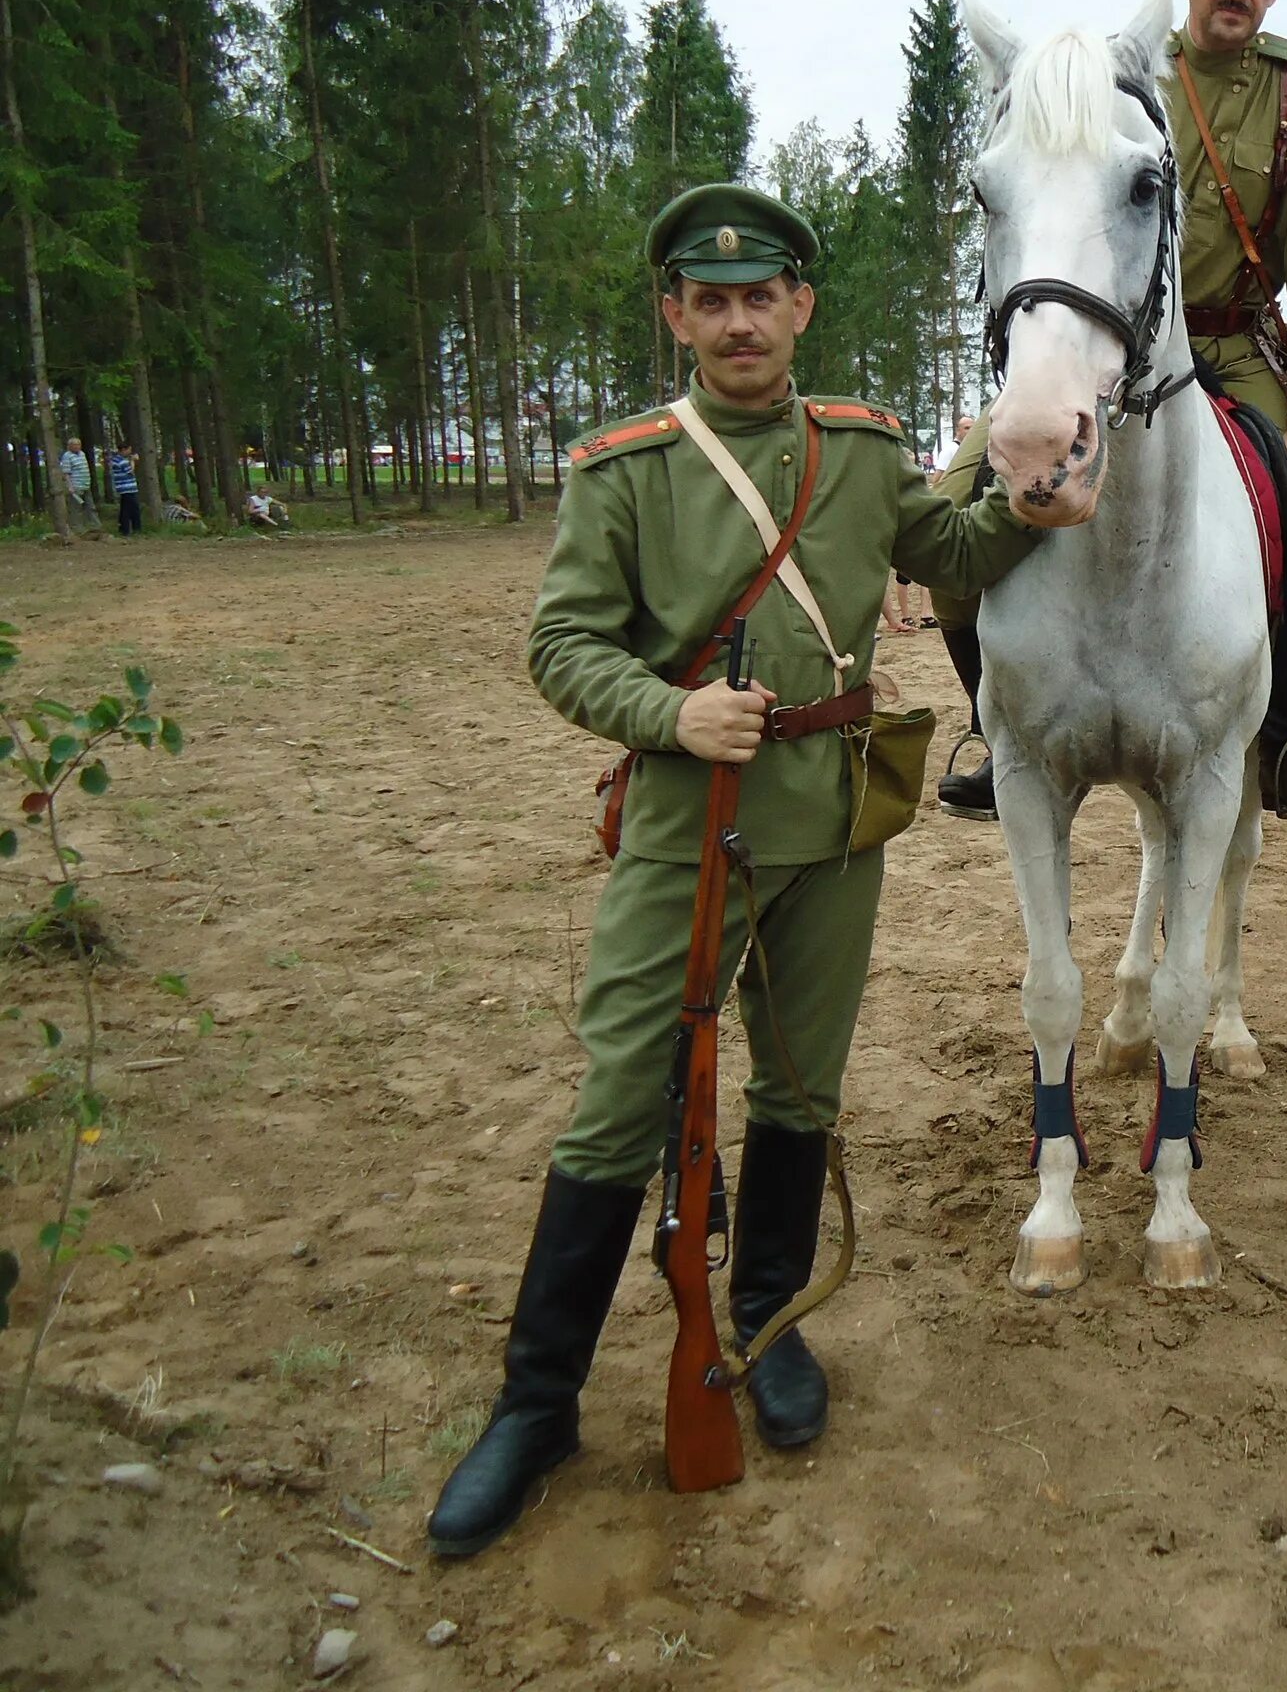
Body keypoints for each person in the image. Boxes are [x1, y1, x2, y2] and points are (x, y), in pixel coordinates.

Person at [426, 184, 1043, 1559]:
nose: (739, 319)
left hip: (833, 819)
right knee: (618, 1100)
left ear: (800, 308)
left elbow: (944, 555)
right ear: (677, 318)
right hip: (682, 824)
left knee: (802, 1085)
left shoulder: (865, 448)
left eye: (761, 295)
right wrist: (668, 714)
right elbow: (563, 644)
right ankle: (536, 1407)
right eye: (711, 300)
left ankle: (762, 1329)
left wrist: (1030, 500)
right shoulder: (626, 469)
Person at [929, 0, 1287, 825]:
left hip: (1239, 353)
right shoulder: (1117, 79)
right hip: (1107, 345)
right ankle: (990, 716)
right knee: (965, 496)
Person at [59, 438, 95, 531]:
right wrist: (70, 486)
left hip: (86, 484)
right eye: (74, 445)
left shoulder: (82, 454)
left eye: (78, 444)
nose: (77, 446)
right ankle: (77, 528)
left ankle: (95, 526)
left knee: (90, 506)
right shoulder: (67, 456)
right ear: (69, 446)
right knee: (75, 509)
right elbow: (66, 473)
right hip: (75, 486)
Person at [109, 444, 142, 537]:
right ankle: (133, 529)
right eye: (129, 450)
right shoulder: (121, 461)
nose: (130, 452)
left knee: (125, 509)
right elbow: (130, 471)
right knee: (132, 509)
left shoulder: (118, 460)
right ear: (123, 450)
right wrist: (133, 460)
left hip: (126, 488)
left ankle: (124, 529)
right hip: (126, 488)